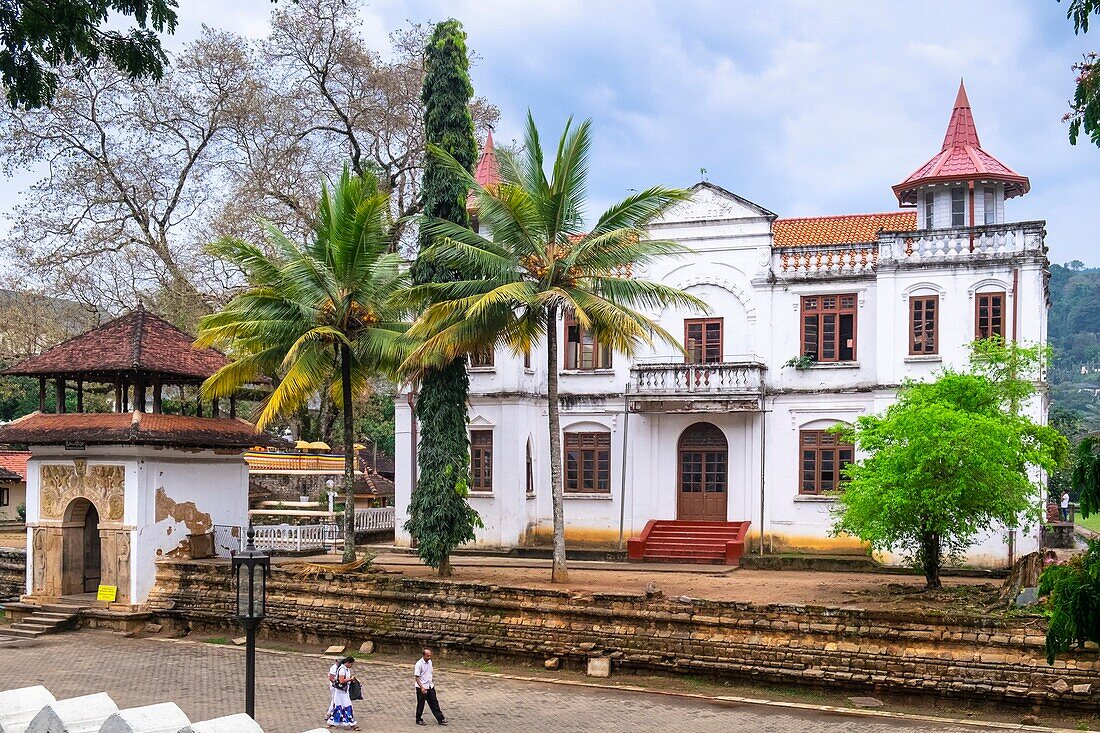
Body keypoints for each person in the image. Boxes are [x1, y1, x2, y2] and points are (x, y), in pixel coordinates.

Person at [414, 648, 447, 726]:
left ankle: (440, 718)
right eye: (428, 656)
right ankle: (418, 719)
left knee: (434, 703)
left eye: (430, 656)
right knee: (421, 704)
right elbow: (417, 677)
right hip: (421, 687)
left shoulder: (430, 662)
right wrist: (421, 687)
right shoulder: (419, 664)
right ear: (423, 655)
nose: (429, 657)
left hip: (430, 686)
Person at [326, 656, 359, 730]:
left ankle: (331, 722)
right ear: (347, 663)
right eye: (351, 664)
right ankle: (350, 723)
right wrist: (350, 679)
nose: (351, 666)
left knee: (340, 706)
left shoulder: (346, 669)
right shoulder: (342, 670)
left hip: (344, 691)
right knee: (347, 706)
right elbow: (341, 681)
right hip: (341, 692)